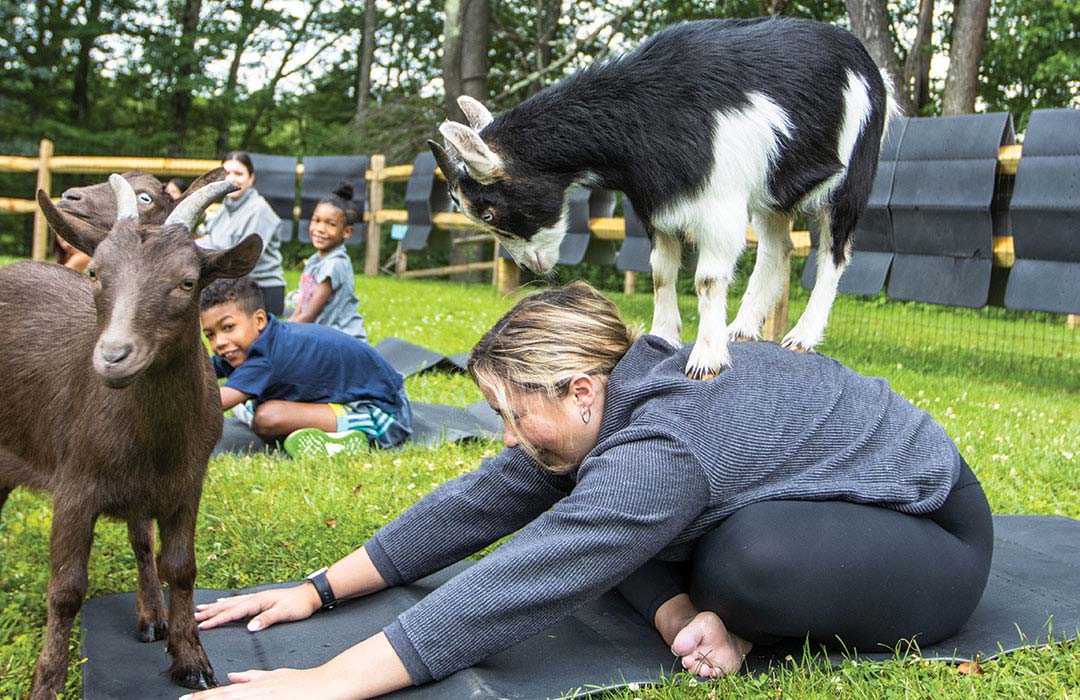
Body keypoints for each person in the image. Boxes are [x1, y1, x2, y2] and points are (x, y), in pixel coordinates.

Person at [185, 281, 993, 700]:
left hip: (927, 532)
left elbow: (530, 576)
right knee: (595, 511)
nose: (504, 435)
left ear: (579, 390)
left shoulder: (663, 446)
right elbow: (478, 503)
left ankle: (734, 621)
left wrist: (327, 683)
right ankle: (693, 615)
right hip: (801, 496)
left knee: (746, 566)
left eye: (512, 413)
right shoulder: (612, 406)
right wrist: (316, 590)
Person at [199, 276, 411, 453]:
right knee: (254, 405)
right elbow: (201, 372)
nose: (219, 343)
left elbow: (210, 405)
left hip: (387, 414)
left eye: (228, 327)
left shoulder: (265, 357)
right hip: (365, 397)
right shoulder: (251, 344)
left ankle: (350, 436)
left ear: (259, 320)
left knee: (267, 418)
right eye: (210, 335)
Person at [196, 151, 287, 316]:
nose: (232, 178)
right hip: (231, 284)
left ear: (251, 178)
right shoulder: (225, 208)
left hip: (260, 290)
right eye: (227, 173)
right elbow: (209, 241)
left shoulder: (259, 210)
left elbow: (244, 258)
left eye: (238, 173)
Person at [288, 180, 368, 341]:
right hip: (318, 337)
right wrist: (282, 329)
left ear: (346, 232)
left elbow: (309, 314)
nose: (320, 229)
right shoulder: (314, 261)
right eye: (316, 220)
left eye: (330, 224)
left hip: (342, 342)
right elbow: (300, 309)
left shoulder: (335, 264)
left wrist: (281, 335)